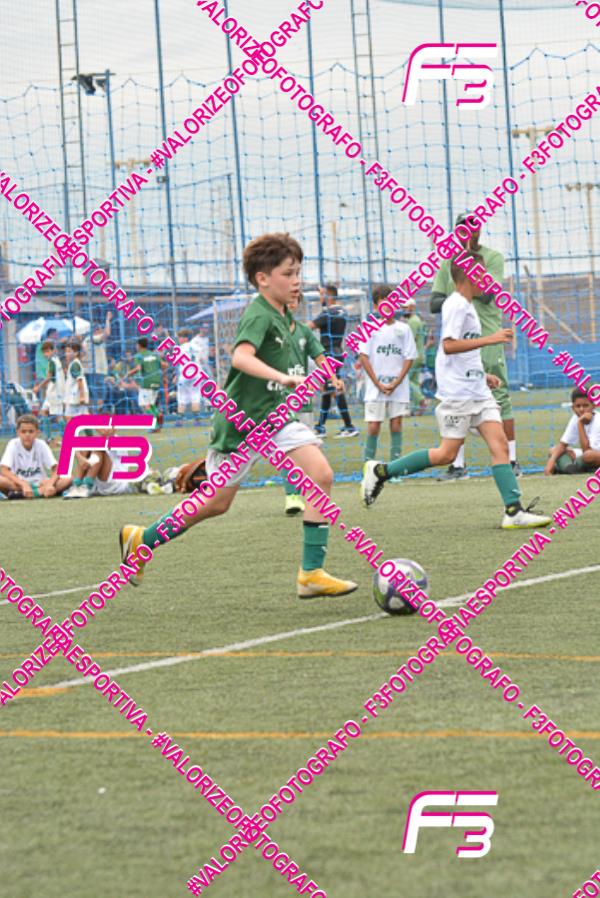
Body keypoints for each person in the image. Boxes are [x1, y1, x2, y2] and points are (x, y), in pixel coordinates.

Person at [119, 232, 358, 599]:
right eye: (288, 273)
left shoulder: (290, 319)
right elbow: (241, 357)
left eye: (298, 272)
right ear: (263, 279)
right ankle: (142, 539)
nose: (297, 281)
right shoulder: (258, 314)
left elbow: (313, 348)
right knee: (216, 503)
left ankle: (311, 573)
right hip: (242, 424)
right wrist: (283, 378)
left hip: (276, 420)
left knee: (321, 475)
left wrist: (328, 372)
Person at [361, 257, 552, 530]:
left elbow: (465, 351)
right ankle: (382, 471)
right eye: (483, 273)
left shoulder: (468, 305)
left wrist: (482, 375)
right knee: (446, 455)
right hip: (457, 395)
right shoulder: (455, 304)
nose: (488, 279)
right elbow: (449, 346)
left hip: (477, 391)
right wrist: (492, 338)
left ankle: (513, 511)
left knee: (499, 444)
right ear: (469, 275)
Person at [430, 211, 520, 480]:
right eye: (464, 228)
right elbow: (434, 302)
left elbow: (489, 293)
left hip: (488, 335)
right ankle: (457, 466)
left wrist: (466, 281)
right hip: (461, 342)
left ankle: (511, 461)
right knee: (457, 398)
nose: (470, 232)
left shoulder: (491, 258)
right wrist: (460, 290)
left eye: (474, 227)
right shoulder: (449, 264)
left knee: (499, 397)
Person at [282, 292, 339, 515]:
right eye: (287, 300)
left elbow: (319, 356)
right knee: (287, 448)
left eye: (294, 301)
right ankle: (292, 496)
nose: (290, 304)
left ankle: (303, 492)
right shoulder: (269, 330)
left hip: (302, 398)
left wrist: (333, 378)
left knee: (305, 447)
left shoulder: (304, 331)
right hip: (278, 398)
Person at [359, 285, 416, 469]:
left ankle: (394, 468)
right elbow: (363, 357)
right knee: (373, 426)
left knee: (396, 423)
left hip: (398, 386)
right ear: (376, 307)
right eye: (383, 303)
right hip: (375, 386)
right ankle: (368, 467)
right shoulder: (369, 328)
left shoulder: (404, 329)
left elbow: (409, 357)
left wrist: (396, 382)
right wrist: (377, 383)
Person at [308, 283, 359, 438]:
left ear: (329, 295)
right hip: (337, 352)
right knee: (328, 389)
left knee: (334, 389)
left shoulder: (328, 313)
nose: (320, 297)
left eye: (322, 294)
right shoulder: (342, 311)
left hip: (329, 355)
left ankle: (349, 427)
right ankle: (320, 427)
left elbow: (308, 327)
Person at [0, 414, 71, 499]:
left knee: (68, 478)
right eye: (23, 431)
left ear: (37, 432)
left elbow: (57, 468)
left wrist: (50, 484)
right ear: (17, 432)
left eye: (31, 431)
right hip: (19, 484)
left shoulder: (41, 444)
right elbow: (4, 470)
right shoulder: (13, 444)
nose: (27, 435)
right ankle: (40, 492)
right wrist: (23, 484)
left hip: (40, 483)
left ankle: (23, 494)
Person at [544, 388, 600, 475]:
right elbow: (563, 444)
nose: (581, 409)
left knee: (588, 456)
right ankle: (571, 469)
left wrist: (580, 424)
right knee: (554, 450)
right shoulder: (575, 418)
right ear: (573, 407)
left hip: (593, 454)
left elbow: (587, 450)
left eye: (585, 405)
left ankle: (564, 469)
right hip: (588, 454)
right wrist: (550, 462)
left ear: (593, 405)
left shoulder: (597, 420)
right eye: (578, 406)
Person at [33, 340, 65, 437]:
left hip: (55, 393)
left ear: (53, 350)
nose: (45, 354)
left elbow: (48, 377)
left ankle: (66, 437)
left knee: (59, 417)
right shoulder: (57, 360)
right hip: (52, 392)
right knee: (44, 413)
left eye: (47, 351)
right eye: (44, 352)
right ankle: (48, 438)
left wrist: (38, 387)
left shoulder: (52, 362)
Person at [127, 337, 164, 420]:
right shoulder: (154, 354)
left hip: (147, 382)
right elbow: (164, 365)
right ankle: (158, 415)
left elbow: (138, 368)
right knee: (151, 404)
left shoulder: (138, 355)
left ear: (139, 345)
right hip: (157, 381)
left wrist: (129, 373)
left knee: (145, 405)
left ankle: (154, 422)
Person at [82, 311, 112, 410]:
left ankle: (92, 414)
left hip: (89, 371)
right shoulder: (93, 338)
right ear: (96, 330)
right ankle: (96, 415)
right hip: (96, 372)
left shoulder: (86, 340)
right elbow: (107, 333)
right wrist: (108, 320)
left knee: (91, 397)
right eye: (100, 329)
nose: (102, 330)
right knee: (100, 397)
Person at [403, 299, 427, 415]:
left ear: (412, 307)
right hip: (420, 354)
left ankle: (421, 400)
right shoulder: (417, 320)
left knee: (405, 380)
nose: (403, 310)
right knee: (414, 381)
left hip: (413, 355)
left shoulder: (412, 321)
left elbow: (409, 339)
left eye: (405, 308)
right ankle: (417, 407)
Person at [176, 328, 202, 418]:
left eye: (180, 337)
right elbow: (201, 359)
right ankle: (197, 420)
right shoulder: (197, 347)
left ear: (185, 338)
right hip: (196, 375)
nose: (179, 339)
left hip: (185, 375)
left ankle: (180, 420)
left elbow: (177, 362)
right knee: (195, 396)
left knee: (181, 397)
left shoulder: (180, 348)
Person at [64, 340, 89, 421]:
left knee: (69, 417)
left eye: (69, 351)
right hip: (73, 396)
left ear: (76, 353)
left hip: (76, 396)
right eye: (66, 351)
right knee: (83, 418)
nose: (66, 353)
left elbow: (79, 380)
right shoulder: (73, 363)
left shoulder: (75, 364)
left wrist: (82, 396)